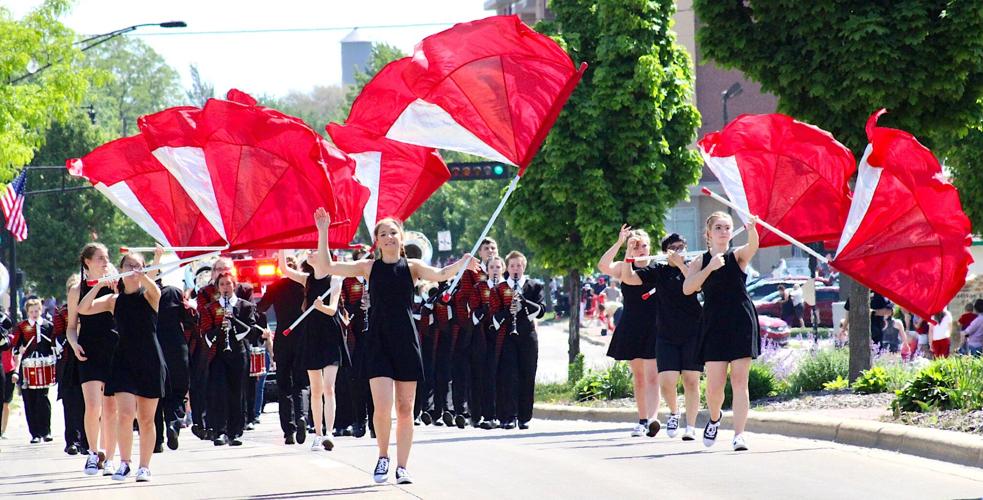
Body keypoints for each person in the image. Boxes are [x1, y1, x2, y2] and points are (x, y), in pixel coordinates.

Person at [314, 207, 479, 484]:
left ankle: (402, 466)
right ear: (376, 240)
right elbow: (327, 267)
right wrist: (322, 232)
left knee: (405, 408)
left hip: (405, 341)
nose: (389, 237)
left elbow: (440, 274)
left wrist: (463, 262)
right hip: (378, 341)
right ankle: (382, 457)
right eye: (383, 234)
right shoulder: (369, 267)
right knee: (382, 406)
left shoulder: (412, 268)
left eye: (393, 232)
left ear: (401, 237)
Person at [78, 252, 164, 482]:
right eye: (129, 265)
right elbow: (83, 309)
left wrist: (144, 276)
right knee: (125, 414)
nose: (133, 269)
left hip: (149, 360)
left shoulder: (150, 296)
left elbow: (154, 290)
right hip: (124, 360)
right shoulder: (114, 300)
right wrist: (98, 286)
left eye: (138, 266)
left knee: (146, 418)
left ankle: (144, 466)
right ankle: (124, 462)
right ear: (122, 269)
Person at [683, 211, 760, 452]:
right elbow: (688, 289)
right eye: (718, 227)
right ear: (708, 234)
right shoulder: (700, 261)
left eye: (727, 227)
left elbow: (752, 247)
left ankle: (739, 435)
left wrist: (752, 229)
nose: (724, 231)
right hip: (714, 324)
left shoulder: (736, 256)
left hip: (740, 320)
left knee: (739, 381)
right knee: (714, 387)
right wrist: (710, 269)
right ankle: (715, 418)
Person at [635, 233, 703, 441]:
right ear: (665, 252)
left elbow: (696, 286)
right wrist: (631, 250)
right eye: (673, 248)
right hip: (666, 333)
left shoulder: (694, 266)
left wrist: (681, 265)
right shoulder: (659, 270)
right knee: (667, 382)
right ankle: (674, 412)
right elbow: (633, 273)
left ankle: (690, 426)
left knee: (691, 380)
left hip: (692, 331)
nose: (678, 251)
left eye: (681, 247)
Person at [597, 225, 661, 437]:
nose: (641, 249)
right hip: (633, 324)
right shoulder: (624, 267)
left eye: (644, 245)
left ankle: (653, 419)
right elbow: (603, 265)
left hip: (654, 325)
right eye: (636, 246)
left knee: (653, 376)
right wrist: (620, 244)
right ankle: (642, 420)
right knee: (639, 376)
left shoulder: (657, 267)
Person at [280, 251, 345, 452]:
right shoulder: (307, 279)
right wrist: (282, 247)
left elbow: (333, 310)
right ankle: (317, 434)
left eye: (315, 250)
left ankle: (329, 432)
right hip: (311, 336)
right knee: (315, 389)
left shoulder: (335, 279)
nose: (310, 252)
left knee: (329, 387)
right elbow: (284, 269)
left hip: (330, 335)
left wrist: (320, 306)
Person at [66, 243, 120, 476]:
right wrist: (73, 343)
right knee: (92, 405)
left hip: (113, 348)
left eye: (106, 257)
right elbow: (70, 327)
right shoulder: (77, 289)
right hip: (88, 349)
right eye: (99, 258)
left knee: (110, 407)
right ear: (87, 261)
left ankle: (109, 457)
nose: (105, 261)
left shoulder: (116, 283)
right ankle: (92, 453)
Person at [201, 271, 262, 446]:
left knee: (237, 393)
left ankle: (235, 432)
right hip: (219, 355)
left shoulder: (245, 306)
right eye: (222, 285)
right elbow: (205, 335)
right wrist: (220, 326)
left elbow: (251, 333)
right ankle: (220, 431)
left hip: (239, 354)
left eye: (228, 284)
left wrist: (233, 320)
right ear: (217, 287)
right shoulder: (211, 308)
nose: (225, 288)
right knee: (219, 391)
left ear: (234, 285)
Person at [258, 255, 310, 445]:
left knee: (283, 385)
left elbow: (261, 307)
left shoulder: (276, 287)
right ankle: (302, 416)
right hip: (302, 338)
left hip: (283, 338)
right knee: (301, 383)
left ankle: (288, 430)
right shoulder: (304, 285)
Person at [495, 251, 544, 431]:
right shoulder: (500, 287)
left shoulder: (534, 286)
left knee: (527, 374)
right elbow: (495, 311)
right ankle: (508, 415)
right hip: (507, 335)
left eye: (519, 265)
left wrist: (523, 302)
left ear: (524, 267)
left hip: (528, 335)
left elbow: (541, 310)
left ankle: (524, 417)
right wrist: (508, 309)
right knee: (508, 375)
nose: (516, 269)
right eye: (513, 266)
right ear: (507, 268)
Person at [155, 276, 197, 452]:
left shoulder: (137, 295)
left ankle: (156, 440)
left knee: (153, 396)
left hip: (152, 348)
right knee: (177, 392)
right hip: (175, 348)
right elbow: (190, 319)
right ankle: (173, 423)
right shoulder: (173, 292)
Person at [339, 249, 374, 438]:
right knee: (357, 383)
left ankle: (376, 423)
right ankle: (359, 421)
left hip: (376, 340)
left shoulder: (378, 281)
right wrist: (358, 305)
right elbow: (343, 310)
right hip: (356, 341)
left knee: (376, 383)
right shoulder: (348, 282)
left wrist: (372, 303)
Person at [11, 298, 56, 443]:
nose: (34, 314)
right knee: (29, 401)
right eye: (31, 311)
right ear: (27, 312)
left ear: (41, 310)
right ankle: (35, 434)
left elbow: (53, 345)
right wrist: (20, 349)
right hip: (27, 367)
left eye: (37, 311)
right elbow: (14, 347)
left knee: (42, 399)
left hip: (43, 366)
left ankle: (46, 431)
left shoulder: (48, 326)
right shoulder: (22, 326)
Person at [54, 277, 88, 455]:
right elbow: (59, 336)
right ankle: (72, 440)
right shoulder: (61, 313)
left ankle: (86, 440)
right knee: (70, 401)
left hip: (86, 359)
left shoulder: (91, 306)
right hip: (68, 362)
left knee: (87, 402)